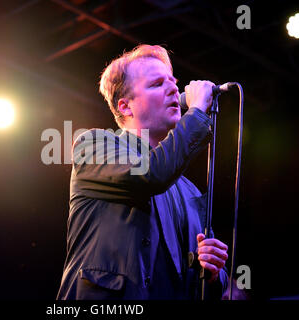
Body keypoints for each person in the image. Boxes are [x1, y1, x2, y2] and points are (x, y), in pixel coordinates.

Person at [56, 44, 229, 300]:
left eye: (173, 81)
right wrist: (197, 113)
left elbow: (213, 284)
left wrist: (214, 273)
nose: (173, 88)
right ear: (126, 106)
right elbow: (151, 174)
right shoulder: (93, 145)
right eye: (157, 83)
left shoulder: (188, 190)